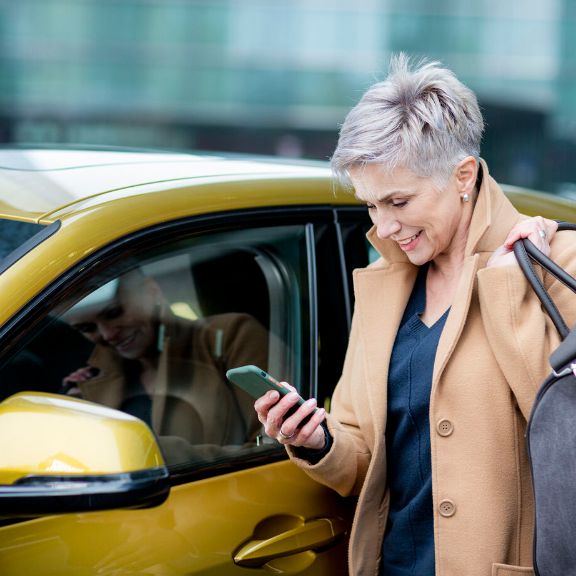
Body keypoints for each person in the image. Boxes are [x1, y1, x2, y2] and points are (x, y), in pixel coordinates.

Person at [254, 54, 576, 576]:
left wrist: (509, 290)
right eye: (371, 205)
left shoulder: (557, 266)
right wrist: (319, 441)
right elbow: (368, 461)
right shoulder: (384, 288)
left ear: (463, 175)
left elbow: (562, 435)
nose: (384, 227)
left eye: (398, 201)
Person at [62, 268, 269, 465]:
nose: (108, 334)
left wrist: (154, 453)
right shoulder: (90, 381)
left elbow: (273, 447)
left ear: (152, 292)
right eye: (87, 328)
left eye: (114, 313)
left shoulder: (228, 336)